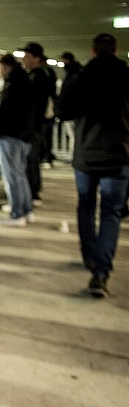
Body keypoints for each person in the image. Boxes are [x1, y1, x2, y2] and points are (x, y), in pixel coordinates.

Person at [57, 33, 129, 297]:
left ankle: (89, 254)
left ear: (93, 51)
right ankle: (101, 272)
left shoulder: (83, 76)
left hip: (86, 156)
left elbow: (63, 111)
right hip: (119, 155)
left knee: (86, 205)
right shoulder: (125, 74)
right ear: (116, 50)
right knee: (111, 212)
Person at [0, 53, 36, 227]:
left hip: (11, 136)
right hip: (25, 136)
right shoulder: (26, 80)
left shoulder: (12, 85)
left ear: (4, 67)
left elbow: (4, 112)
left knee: (12, 176)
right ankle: (26, 209)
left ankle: (17, 214)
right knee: (20, 175)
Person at [20, 42, 57, 203]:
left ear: (37, 58)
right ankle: (33, 190)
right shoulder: (46, 74)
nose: (24, 60)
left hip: (33, 125)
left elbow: (30, 103)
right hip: (39, 123)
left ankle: (32, 192)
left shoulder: (36, 77)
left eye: (27, 56)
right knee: (33, 158)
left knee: (31, 159)